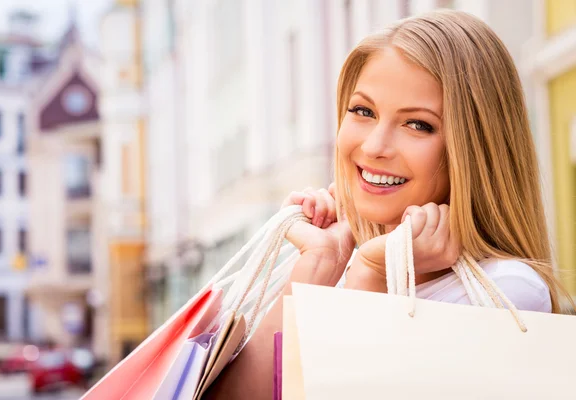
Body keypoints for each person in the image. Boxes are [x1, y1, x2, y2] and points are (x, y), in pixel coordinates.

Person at [204, 9, 571, 399]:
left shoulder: (507, 293)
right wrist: (318, 265)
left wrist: (371, 275)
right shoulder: (340, 272)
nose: (375, 146)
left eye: (418, 124)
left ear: (475, 149)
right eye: (363, 111)